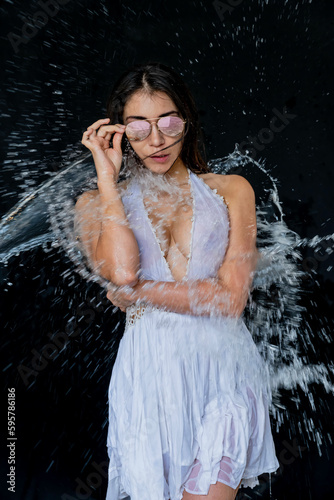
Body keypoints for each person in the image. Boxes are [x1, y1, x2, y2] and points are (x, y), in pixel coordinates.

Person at [75, 62, 279, 500]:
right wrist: (108, 182)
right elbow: (123, 270)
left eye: (169, 122)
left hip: (224, 370)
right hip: (148, 377)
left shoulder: (231, 190)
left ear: (186, 118)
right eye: (139, 127)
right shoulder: (94, 202)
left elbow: (228, 301)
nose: (157, 139)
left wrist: (137, 294)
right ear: (118, 132)